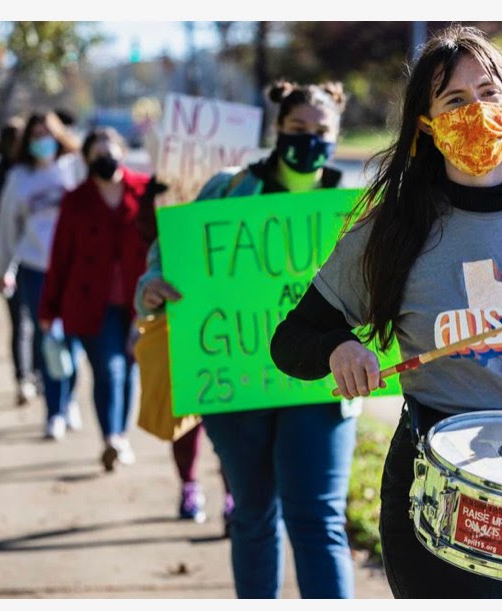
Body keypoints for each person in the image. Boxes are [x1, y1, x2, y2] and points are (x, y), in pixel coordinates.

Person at [270, 26, 502, 600]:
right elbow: (292, 341)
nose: (477, 111)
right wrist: (337, 347)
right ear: (427, 124)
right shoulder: (390, 233)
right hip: (438, 487)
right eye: (454, 101)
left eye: (490, 93)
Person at [134, 80, 358, 599]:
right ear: (277, 129)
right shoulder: (228, 188)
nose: (309, 140)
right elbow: (167, 258)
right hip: (237, 383)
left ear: (337, 133)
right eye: (298, 129)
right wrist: (151, 286)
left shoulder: (354, 202)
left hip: (319, 386)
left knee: (319, 519)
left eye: (321, 132)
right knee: (254, 515)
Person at [39, 126, 150, 471]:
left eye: (111, 150)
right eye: (98, 153)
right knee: (109, 369)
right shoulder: (76, 199)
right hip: (91, 302)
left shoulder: (145, 190)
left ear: (122, 152)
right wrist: (49, 306)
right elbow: (60, 256)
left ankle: (120, 434)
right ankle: (111, 438)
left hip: (139, 301)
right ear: (87, 159)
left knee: (130, 367)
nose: (107, 158)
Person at [134, 176, 234, 526]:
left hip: (239, 344)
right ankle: (190, 485)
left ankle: (233, 495)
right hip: (189, 336)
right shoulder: (171, 193)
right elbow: (152, 252)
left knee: (235, 429)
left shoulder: (255, 184)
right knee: (187, 423)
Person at [0, 110, 83, 439]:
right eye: (35, 136)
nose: (41, 141)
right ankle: (54, 410)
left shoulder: (73, 169)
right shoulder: (19, 177)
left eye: (47, 134)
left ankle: (69, 396)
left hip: (74, 270)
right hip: (35, 271)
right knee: (49, 341)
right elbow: (7, 228)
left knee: (73, 342)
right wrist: (3, 268)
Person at [0, 115, 38, 405]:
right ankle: (24, 377)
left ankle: (35, 377)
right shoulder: (8, 176)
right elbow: (8, 226)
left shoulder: (32, 172)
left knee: (31, 323)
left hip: (32, 259)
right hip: (14, 257)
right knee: (20, 322)